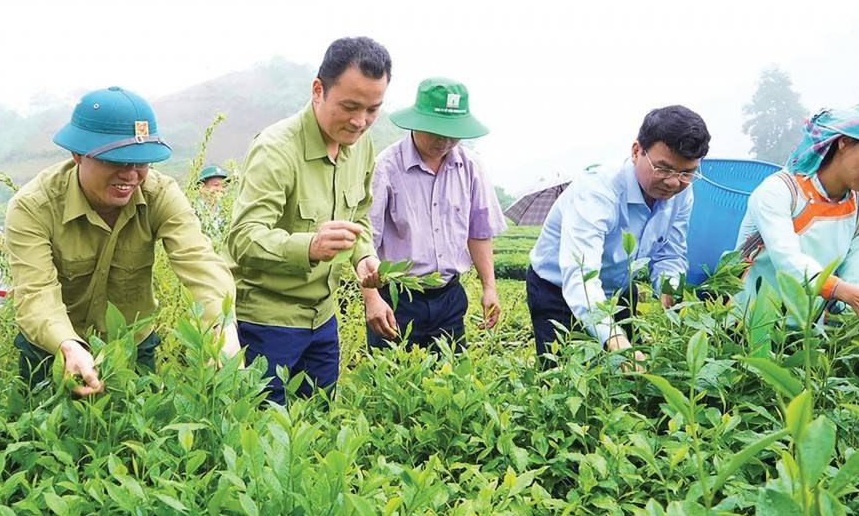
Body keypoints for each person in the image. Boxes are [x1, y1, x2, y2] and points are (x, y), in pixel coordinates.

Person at [5, 86, 239, 396]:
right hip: (53, 350)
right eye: (117, 161)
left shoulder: (160, 195)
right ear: (77, 155)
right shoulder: (33, 206)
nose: (130, 175)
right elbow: (35, 292)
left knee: (134, 436)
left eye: (141, 163)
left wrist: (221, 326)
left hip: (132, 345)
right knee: (44, 438)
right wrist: (68, 345)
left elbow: (199, 260)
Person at [225, 37, 387, 404]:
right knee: (264, 436)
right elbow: (243, 239)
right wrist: (310, 246)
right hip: (268, 323)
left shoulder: (362, 144)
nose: (360, 121)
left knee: (317, 426)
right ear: (318, 90)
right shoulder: (276, 149)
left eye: (373, 109)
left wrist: (364, 257)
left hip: (323, 321)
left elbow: (359, 213)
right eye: (350, 106)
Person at [526, 105, 711, 364]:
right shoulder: (596, 191)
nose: (673, 182)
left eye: (686, 173)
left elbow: (670, 253)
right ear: (637, 151)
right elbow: (581, 276)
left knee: (628, 377)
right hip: (557, 288)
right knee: (562, 375)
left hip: (618, 287)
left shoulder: (681, 193)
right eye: (664, 169)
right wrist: (614, 339)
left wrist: (670, 292)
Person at [364, 77, 506, 350]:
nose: (445, 141)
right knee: (391, 383)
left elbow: (478, 233)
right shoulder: (386, 167)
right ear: (417, 122)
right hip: (397, 299)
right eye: (436, 132)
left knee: (450, 384)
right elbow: (365, 241)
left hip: (449, 297)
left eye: (452, 134)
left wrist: (489, 287)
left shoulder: (470, 167)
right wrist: (372, 299)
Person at [735, 102, 859, 326]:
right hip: (744, 328)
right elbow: (788, 262)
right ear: (844, 141)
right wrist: (848, 293)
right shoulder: (780, 191)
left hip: (808, 340)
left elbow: (857, 288)